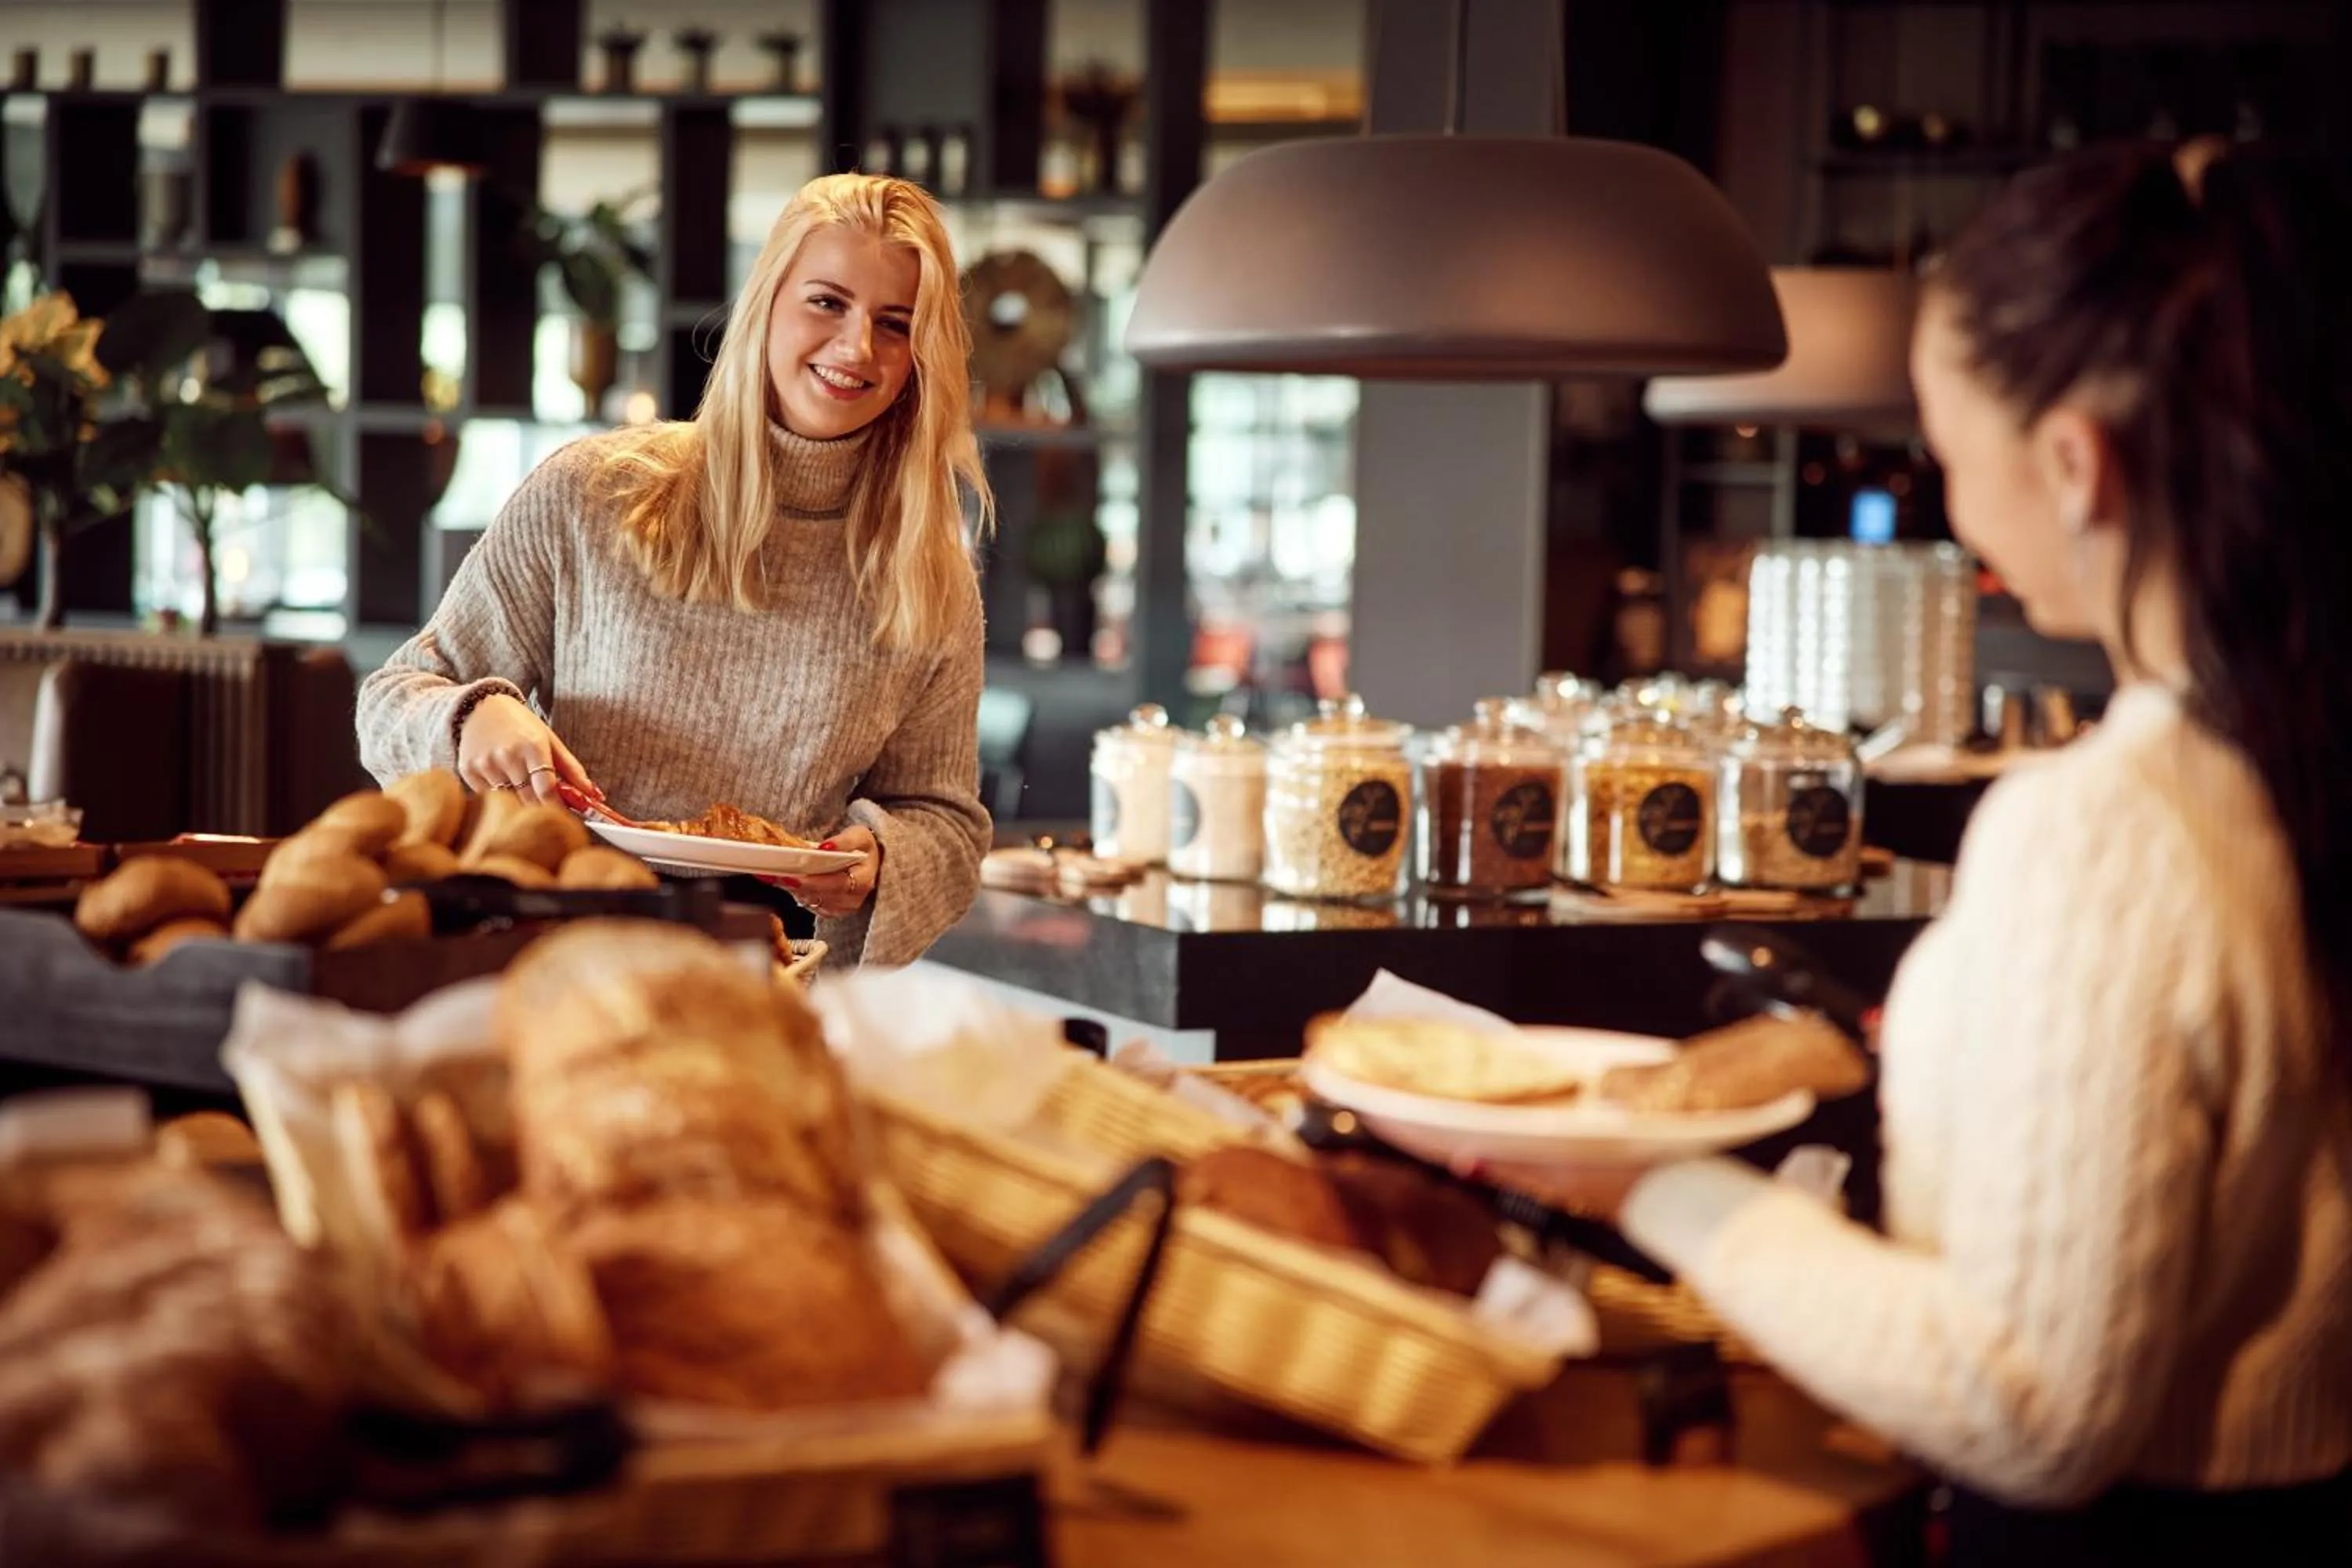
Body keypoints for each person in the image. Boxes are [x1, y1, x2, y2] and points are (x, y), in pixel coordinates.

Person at [1504, 140, 2352, 1563]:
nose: (1954, 512)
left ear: (2076, 465)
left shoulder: (2106, 829)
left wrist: (1642, 1182)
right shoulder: (2287, 763)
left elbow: (2028, 1404)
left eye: (1952, 456)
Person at [355, 173, 993, 967]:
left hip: (767, 972)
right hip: (552, 945)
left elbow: (946, 819)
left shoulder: (926, 574)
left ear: (918, 359)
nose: (856, 347)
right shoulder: (593, 492)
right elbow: (392, 698)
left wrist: (881, 857)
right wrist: (472, 717)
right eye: (827, 302)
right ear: (766, 306)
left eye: (895, 325)